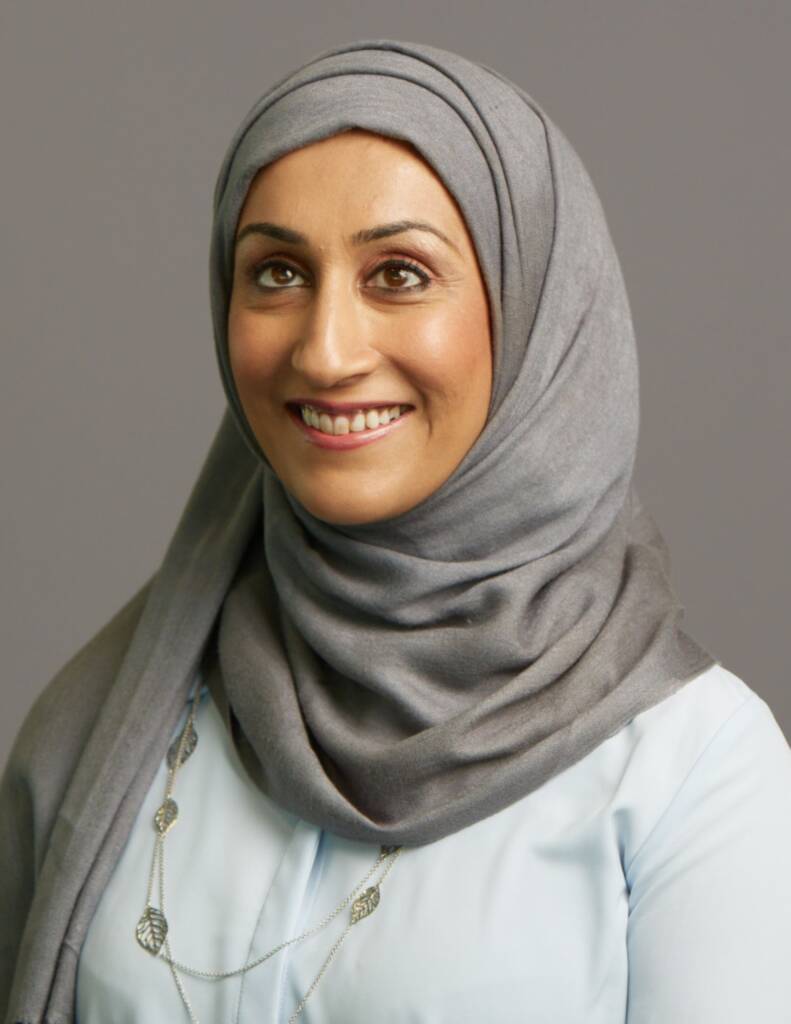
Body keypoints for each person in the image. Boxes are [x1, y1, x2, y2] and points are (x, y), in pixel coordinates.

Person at [2, 38, 790, 1024]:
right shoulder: (112, 722)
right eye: (277, 271)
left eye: (399, 274)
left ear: (534, 316)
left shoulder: (688, 770)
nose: (325, 349)